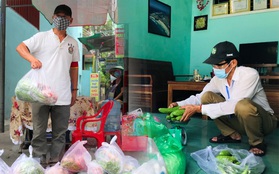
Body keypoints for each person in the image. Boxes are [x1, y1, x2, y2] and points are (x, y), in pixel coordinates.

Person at [169, 41, 278, 156]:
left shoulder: (249, 75)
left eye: (219, 65)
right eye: (213, 65)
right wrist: (179, 104)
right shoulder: (218, 79)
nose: (215, 69)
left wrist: (199, 109)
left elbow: (234, 105)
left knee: (242, 105)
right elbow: (201, 97)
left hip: (264, 122)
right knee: (207, 97)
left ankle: (257, 142)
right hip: (239, 119)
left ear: (233, 63)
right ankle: (232, 135)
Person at [16, 4, 80, 165]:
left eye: (64, 17)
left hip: (63, 94)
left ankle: (54, 162)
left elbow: (74, 68)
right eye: (58, 16)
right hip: (40, 93)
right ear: (53, 18)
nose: (61, 19)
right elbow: (21, 47)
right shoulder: (41, 37)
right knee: (38, 132)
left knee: (60, 133)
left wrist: (74, 90)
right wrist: (33, 59)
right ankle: (38, 161)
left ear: (70, 20)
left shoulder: (73, 43)